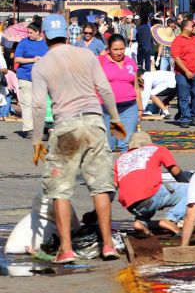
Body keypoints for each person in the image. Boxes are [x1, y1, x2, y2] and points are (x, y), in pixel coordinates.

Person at [31, 14, 127, 263]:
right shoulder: (87, 56)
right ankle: (107, 246)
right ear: (67, 33)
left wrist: (36, 141)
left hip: (66, 127)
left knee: (60, 190)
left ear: (44, 35)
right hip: (94, 123)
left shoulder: (41, 65)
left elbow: (39, 106)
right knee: (101, 186)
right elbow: (104, 88)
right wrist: (115, 118)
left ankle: (66, 250)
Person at [114, 131, 190, 236]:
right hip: (151, 195)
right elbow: (175, 171)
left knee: (146, 201)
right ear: (148, 142)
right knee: (192, 190)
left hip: (131, 205)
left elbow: (113, 186)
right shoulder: (156, 148)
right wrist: (189, 187)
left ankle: (140, 223)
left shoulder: (121, 159)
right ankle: (171, 220)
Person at [99, 34, 141, 153]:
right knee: (108, 144)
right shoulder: (100, 62)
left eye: (121, 49)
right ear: (108, 48)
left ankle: (125, 170)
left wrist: (140, 109)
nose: (119, 52)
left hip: (129, 107)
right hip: (107, 109)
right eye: (115, 49)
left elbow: (136, 86)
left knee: (127, 143)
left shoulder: (130, 62)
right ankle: (107, 171)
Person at [13, 21, 48, 139]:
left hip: (42, 78)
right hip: (25, 77)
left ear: (39, 32)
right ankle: (29, 129)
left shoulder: (46, 44)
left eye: (31, 32)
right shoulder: (23, 43)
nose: (29, 35)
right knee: (27, 103)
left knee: (39, 105)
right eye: (28, 32)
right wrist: (32, 60)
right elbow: (17, 59)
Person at [171, 17, 195, 129]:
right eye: (192, 26)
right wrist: (186, 71)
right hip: (182, 73)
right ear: (185, 27)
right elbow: (177, 58)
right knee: (183, 96)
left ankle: (193, 114)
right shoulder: (177, 40)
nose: (194, 28)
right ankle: (185, 118)